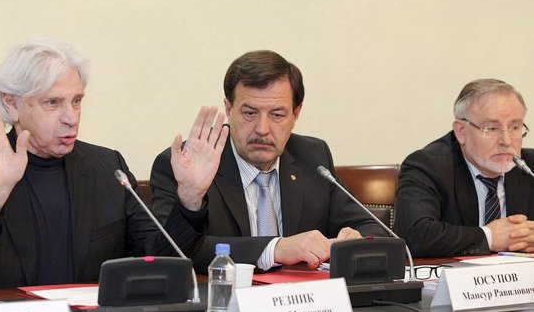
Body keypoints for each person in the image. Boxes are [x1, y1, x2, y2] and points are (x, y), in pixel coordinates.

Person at [0, 39, 228, 294]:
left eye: (76, 101)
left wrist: (190, 198)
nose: (71, 117)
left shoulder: (107, 168)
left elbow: (159, 261)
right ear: (11, 104)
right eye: (52, 103)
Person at [150, 50, 384, 273]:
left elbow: (373, 228)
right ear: (229, 109)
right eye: (250, 113)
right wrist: (275, 249)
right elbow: (168, 254)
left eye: (277, 115)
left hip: (300, 298)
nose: (262, 129)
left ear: (295, 114)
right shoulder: (186, 164)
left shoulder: (313, 157)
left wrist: (354, 239)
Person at [394, 79, 534, 256]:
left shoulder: (530, 166)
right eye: (491, 128)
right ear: (461, 131)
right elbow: (415, 235)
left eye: (515, 127)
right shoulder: (427, 166)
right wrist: (489, 237)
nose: (506, 141)